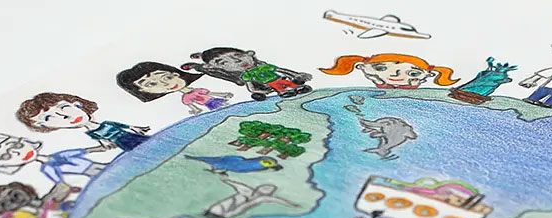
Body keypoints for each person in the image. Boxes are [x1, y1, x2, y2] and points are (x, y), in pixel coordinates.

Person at [0, 133, 107, 198]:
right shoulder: (47, 168)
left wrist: (98, 149)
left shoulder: (56, 156)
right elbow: (59, 182)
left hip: (98, 165)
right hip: (91, 173)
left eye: (15, 145)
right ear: (3, 166)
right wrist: (59, 191)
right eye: (5, 157)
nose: (17, 152)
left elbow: (77, 152)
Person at [16, 92, 151, 151]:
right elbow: (101, 140)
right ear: (43, 125)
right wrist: (105, 143)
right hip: (122, 142)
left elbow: (122, 126)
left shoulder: (105, 124)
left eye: (63, 107)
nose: (64, 116)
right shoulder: (92, 132)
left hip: (128, 136)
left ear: (76, 104)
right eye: (48, 118)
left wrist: (136, 128)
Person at [181, 47, 313, 101]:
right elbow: (250, 85)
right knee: (234, 79)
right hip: (260, 83)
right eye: (224, 62)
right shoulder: (243, 75)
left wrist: (296, 75)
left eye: (238, 56)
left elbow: (281, 70)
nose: (238, 61)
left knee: (286, 81)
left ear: (249, 54)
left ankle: (298, 87)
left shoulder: (260, 65)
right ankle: (199, 66)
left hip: (276, 79)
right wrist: (257, 91)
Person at [116, 61, 235, 115]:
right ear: (142, 91)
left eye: (167, 77)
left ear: (175, 74)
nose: (165, 84)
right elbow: (191, 104)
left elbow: (211, 93)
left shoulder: (207, 79)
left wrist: (223, 94)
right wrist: (195, 110)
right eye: (151, 84)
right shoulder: (184, 98)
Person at [320, 53, 458, 89]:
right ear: (361, 67)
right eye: (381, 68)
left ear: (429, 75)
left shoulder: (414, 83)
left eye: (413, 73)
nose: (394, 74)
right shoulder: (376, 79)